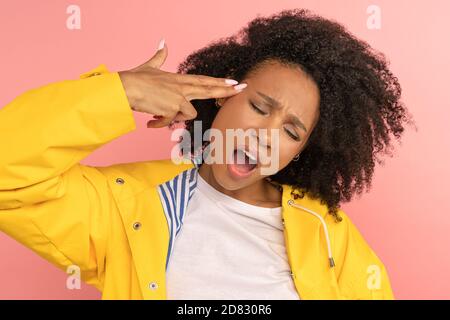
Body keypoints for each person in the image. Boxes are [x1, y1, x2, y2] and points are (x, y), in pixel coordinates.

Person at [0, 9, 412, 300]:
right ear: (220, 98)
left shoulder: (326, 230)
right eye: (258, 107)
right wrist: (118, 91)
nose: (267, 135)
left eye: (291, 131)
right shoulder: (128, 204)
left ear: (302, 152)